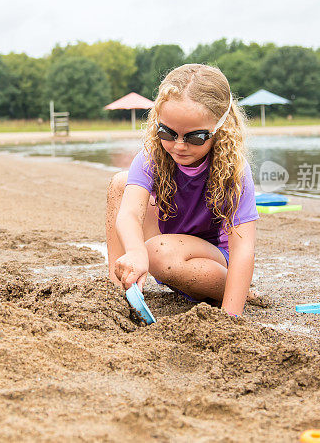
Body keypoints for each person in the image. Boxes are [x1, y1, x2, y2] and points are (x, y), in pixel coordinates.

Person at [105, 64, 258, 316]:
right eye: (167, 132)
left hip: (210, 261)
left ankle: (232, 290)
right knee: (121, 183)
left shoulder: (234, 172)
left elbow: (243, 249)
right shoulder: (151, 158)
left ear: (221, 129)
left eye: (195, 137)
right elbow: (130, 213)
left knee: (157, 251)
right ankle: (120, 286)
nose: (179, 146)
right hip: (164, 247)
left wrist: (231, 315)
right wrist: (135, 252)